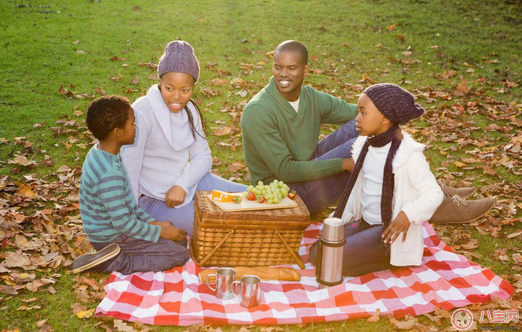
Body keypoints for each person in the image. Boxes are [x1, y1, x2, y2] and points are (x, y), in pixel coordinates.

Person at [241, 40, 495, 223]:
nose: (283, 74)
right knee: (365, 148)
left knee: (365, 125)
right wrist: (343, 164)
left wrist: (389, 114)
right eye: (278, 67)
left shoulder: (310, 97)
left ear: (305, 70)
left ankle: (428, 189)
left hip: (306, 169)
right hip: (285, 197)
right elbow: (285, 170)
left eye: (291, 68)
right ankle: (434, 204)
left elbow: (358, 113)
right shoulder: (258, 111)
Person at [310, 84, 442, 276]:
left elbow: (434, 193)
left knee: (336, 261)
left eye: (363, 113)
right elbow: (356, 191)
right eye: (358, 112)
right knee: (317, 253)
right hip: (365, 222)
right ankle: (364, 252)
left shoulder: (407, 155)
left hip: (388, 230)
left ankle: (392, 259)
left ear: (385, 118)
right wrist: (339, 220)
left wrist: (408, 214)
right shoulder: (364, 146)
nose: (357, 118)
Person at [121, 41, 246, 236]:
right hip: (151, 199)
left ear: (193, 88)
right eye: (169, 88)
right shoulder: (141, 111)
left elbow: (203, 156)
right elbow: (130, 170)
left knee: (248, 199)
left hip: (186, 183)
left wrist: (182, 184)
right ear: (160, 82)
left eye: (184, 90)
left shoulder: (190, 111)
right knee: (217, 227)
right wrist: (138, 223)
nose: (176, 97)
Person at [71, 96, 189, 274]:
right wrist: (160, 232)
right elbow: (123, 223)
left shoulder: (101, 153)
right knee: (179, 255)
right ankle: (117, 263)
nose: (136, 127)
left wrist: (153, 222)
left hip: (112, 230)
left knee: (179, 240)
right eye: (133, 123)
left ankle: (112, 255)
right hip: (113, 237)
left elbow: (128, 205)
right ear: (117, 132)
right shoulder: (109, 174)